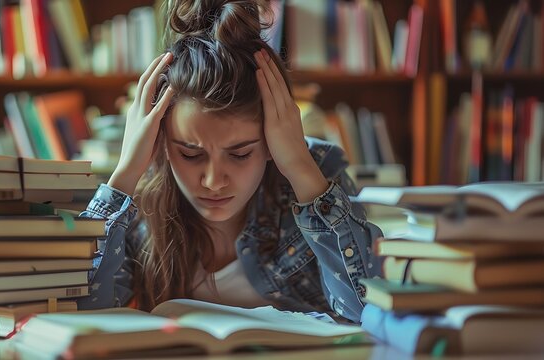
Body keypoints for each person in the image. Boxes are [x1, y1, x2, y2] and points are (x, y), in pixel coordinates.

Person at [78, 0, 382, 324]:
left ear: (271, 142)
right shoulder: (140, 199)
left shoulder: (317, 176)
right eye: (191, 154)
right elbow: (84, 314)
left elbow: (369, 312)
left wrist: (300, 167)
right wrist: (124, 173)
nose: (213, 181)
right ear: (162, 142)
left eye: (239, 154)